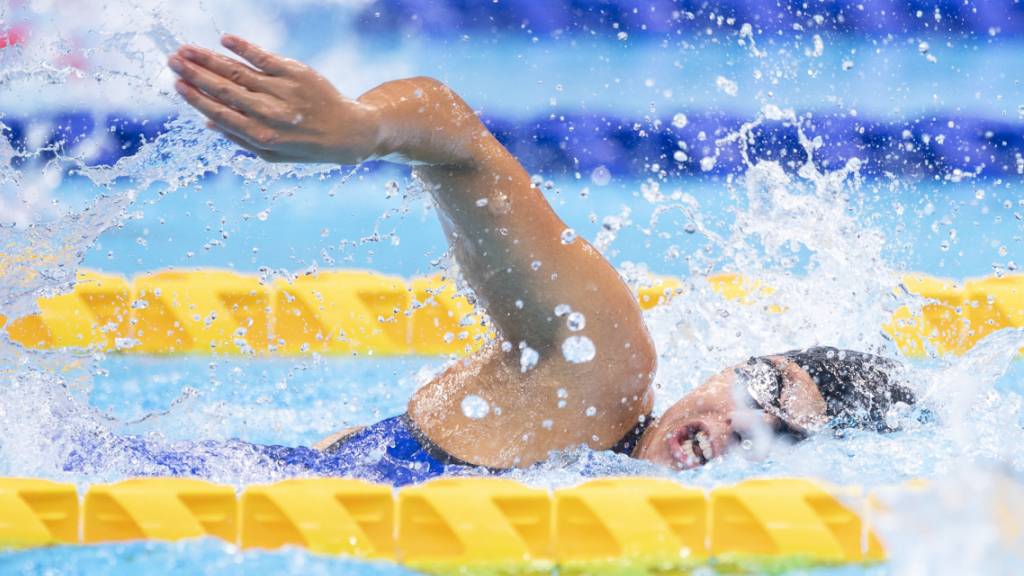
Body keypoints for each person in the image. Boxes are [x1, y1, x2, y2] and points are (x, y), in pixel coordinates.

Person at [153, 35, 918, 485]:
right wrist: (360, 127)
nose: (740, 422)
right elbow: (454, 137)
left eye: (776, 436)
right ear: (729, 367)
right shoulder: (599, 379)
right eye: (761, 387)